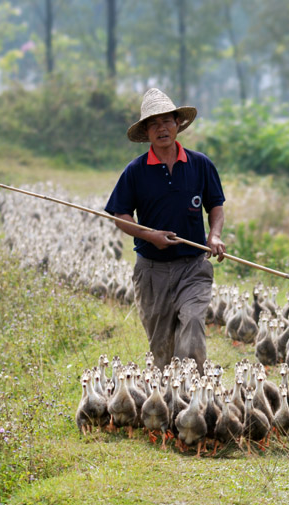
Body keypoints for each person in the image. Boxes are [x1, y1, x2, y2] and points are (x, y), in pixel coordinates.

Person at [105, 88, 226, 370]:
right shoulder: (135, 172)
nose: (162, 128)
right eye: (154, 124)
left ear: (178, 124)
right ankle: (168, 401)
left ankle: (192, 398)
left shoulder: (200, 165)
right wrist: (149, 236)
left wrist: (215, 234)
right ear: (146, 132)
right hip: (152, 271)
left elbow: (216, 205)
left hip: (192, 267)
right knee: (161, 350)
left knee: (194, 323)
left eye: (167, 121)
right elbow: (120, 215)